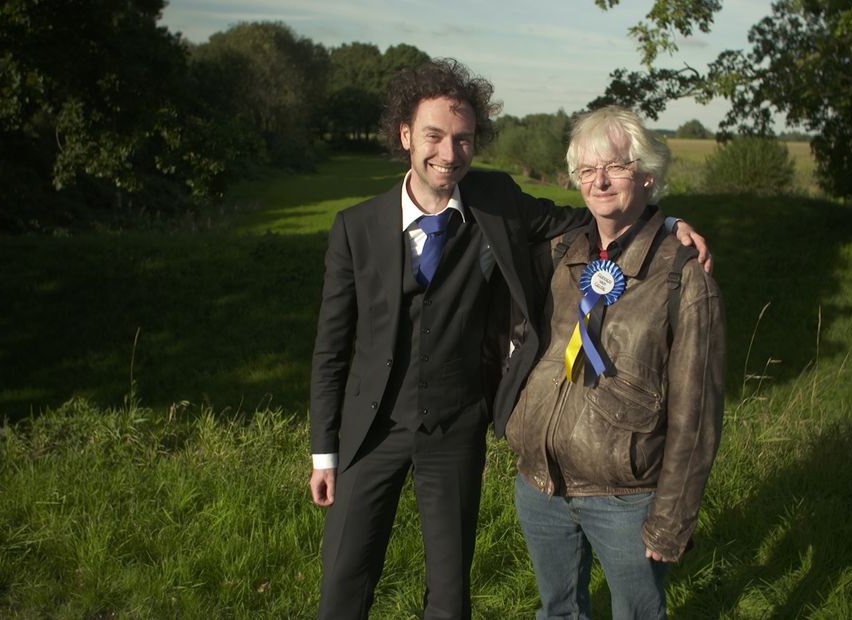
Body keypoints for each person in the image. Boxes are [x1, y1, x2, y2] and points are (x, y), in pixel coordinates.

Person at [306, 59, 709, 620]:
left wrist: (665, 225)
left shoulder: (495, 200)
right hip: (369, 429)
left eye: (464, 138)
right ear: (405, 136)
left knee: (449, 591)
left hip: (454, 428)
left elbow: (588, 218)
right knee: (346, 577)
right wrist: (324, 451)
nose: (449, 153)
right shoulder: (356, 226)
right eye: (434, 136)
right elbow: (331, 348)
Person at [504, 105, 726, 619]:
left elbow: (697, 417)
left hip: (626, 498)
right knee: (557, 611)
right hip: (541, 483)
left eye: (616, 167)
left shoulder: (684, 277)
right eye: (587, 170)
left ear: (647, 174)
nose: (599, 180)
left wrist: (671, 519)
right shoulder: (563, 252)